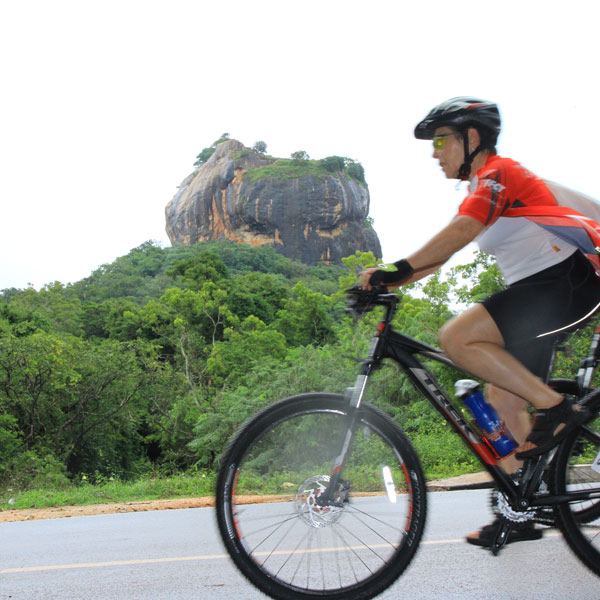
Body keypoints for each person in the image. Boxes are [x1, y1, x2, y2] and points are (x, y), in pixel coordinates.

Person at [361, 97, 600, 547]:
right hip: (541, 294)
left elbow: (460, 232)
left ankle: (556, 408)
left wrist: (396, 268)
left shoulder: (500, 174)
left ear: (472, 138)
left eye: (441, 141)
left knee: (458, 337)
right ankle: (522, 508)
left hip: (562, 285)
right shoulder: (481, 188)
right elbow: (440, 255)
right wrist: (386, 280)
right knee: (503, 400)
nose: (435, 153)